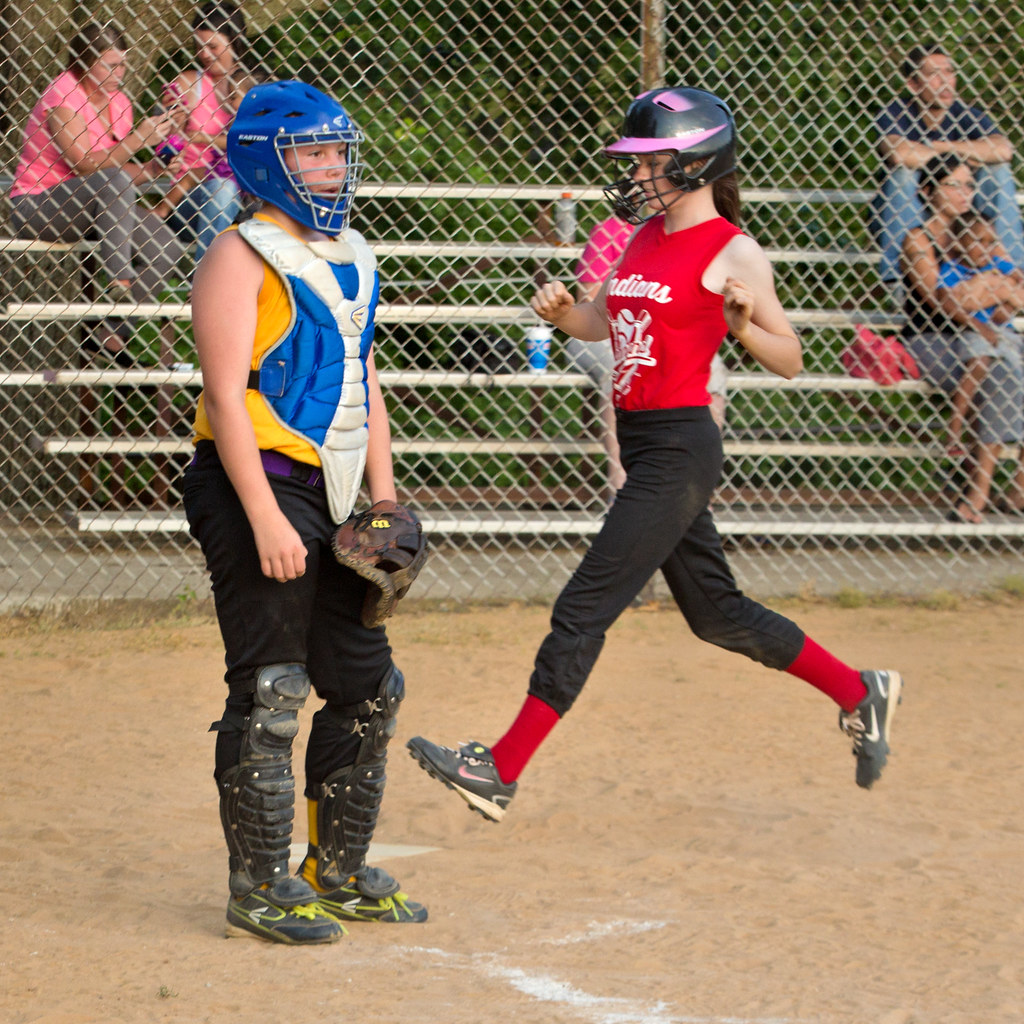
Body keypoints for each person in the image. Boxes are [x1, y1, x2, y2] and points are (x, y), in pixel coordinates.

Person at [406, 86, 904, 825]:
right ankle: (861, 692)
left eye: (650, 162)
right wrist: (559, 313)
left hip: (680, 445)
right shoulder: (640, 238)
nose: (635, 176)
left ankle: (500, 769)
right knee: (717, 615)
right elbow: (596, 322)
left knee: (584, 605)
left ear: (696, 163)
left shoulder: (733, 249)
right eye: (634, 163)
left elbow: (792, 357)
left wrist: (741, 326)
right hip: (645, 445)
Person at [182, 79, 426, 944]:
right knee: (274, 684)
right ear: (264, 161)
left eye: (336, 152)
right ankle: (258, 885)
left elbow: (363, 378)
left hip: (329, 489)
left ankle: (339, 868)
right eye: (312, 152)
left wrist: (385, 497)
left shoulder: (351, 254)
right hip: (254, 484)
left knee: (365, 684)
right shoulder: (238, 255)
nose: (330, 168)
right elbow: (226, 392)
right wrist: (266, 518)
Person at [8, 21, 186, 364]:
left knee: (166, 247)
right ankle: (119, 282)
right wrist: (138, 141)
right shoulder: (64, 93)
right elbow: (85, 165)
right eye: (111, 65)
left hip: (96, 205)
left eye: (123, 64)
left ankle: (109, 336)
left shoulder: (119, 103)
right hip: (40, 205)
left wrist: (152, 170)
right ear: (86, 62)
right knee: (114, 180)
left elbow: (114, 170)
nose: (120, 72)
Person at [900, 154, 1024, 523]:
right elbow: (938, 301)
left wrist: (989, 292)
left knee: (1001, 362)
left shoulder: (985, 233)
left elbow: (1014, 291)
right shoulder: (918, 240)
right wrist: (993, 288)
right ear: (927, 190)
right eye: (954, 184)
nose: (965, 192)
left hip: (991, 334)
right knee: (999, 373)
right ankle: (978, 493)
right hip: (934, 339)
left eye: (969, 184)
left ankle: (1019, 486)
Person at [569, 212, 730, 497]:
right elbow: (589, 300)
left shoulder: (691, 235)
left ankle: (697, 491)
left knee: (712, 365)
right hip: (606, 330)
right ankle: (623, 486)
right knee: (621, 364)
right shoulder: (611, 230)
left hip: (660, 333)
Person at [870, 42, 1024, 291]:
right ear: (914, 84)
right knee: (903, 175)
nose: (945, 81)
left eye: (949, 72)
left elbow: (1003, 150)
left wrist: (936, 149)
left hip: (962, 212)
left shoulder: (965, 113)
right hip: (916, 213)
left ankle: (1014, 273)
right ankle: (898, 280)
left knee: (998, 171)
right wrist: (965, 154)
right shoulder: (898, 112)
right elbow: (899, 153)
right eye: (933, 74)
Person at [154, 1, 260, 264]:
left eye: (212, 46)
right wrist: (173, 123)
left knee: (231, 190)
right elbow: (167, 142)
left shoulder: (253, 86)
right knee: (221, 188)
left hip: (245, 199)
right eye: (199, 46)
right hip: (190, 196)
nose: (204, 54)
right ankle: (205, 278)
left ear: (233, 42)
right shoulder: (189, 82)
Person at [939, 213, 1024, 459]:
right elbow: (949, 303)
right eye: (977, 241)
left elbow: (1018, 282)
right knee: (978, 364)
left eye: (990, 242)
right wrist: (981, 324)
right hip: (973, 330)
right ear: (958, 243)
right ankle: (955, 427)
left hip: (1003, 333)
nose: (985, 248)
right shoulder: (952, 268)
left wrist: (1007, 303)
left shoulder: (998, 263)